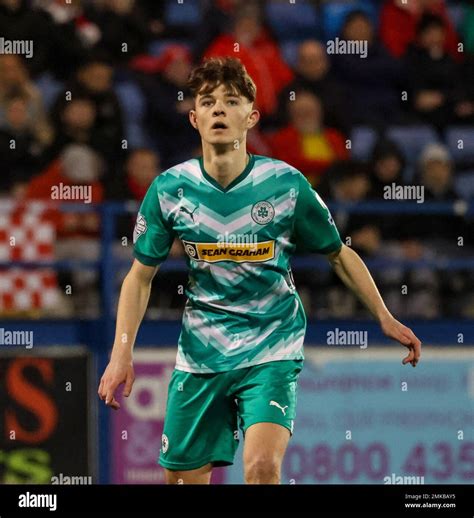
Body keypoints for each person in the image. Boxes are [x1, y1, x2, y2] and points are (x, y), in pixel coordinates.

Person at [98, 57, 421, 485]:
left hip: (272, 345)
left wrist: (384, 315)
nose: (218, 109)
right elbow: (139, 277)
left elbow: (339, 254)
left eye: (231, 101)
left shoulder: (286, 185)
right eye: (208, 102)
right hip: (201, 352)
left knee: (263, 467)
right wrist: (122, 352)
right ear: (194, 119)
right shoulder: (168, 189)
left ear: (251, 116)